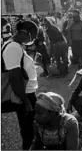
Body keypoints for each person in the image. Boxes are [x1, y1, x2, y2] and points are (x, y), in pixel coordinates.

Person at [2, 20, 39, 150]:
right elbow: (14, 77)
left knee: (30, 128)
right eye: (34, 36)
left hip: (27, 93)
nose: (33, 39)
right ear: (26, 33)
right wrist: (26, 101)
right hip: (24, 95)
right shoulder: (13, 47)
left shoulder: (14, 45)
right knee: (28, 130)